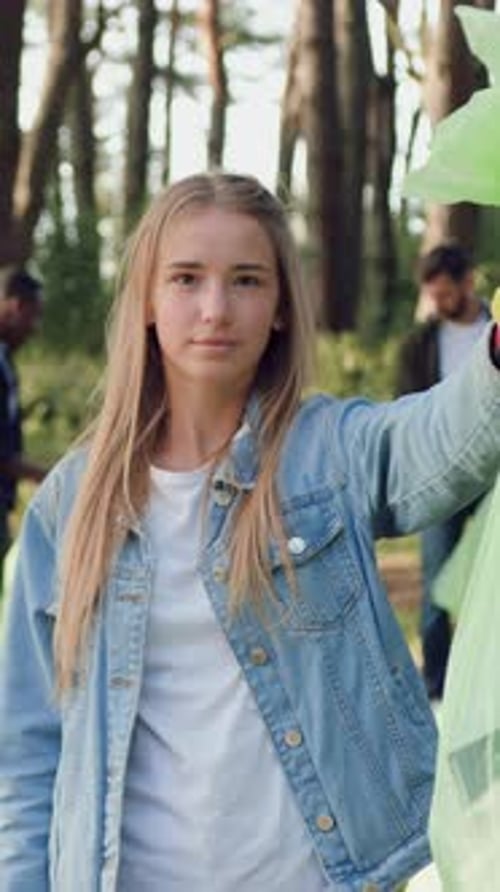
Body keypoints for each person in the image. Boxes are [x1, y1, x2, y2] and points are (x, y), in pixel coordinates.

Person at [1, 173, 500, 892]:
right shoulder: (69, 508)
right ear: (147, 298)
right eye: (185, 278)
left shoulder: (325, 453)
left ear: (279, 309)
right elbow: (25, 751)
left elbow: (434, 441)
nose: (215, 308)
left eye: (245, 280)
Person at [396, 243, 490, 701]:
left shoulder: (492, 330)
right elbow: (405, 410)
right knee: (437, 583)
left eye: (447, 293)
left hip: (494, 476)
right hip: (444, 474)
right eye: (433, 295)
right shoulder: (419, 345)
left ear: (469, 282)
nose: (440, 303)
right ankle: (436, 685)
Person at [0, 269, 46, 581]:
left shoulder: (5, 362)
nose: (35, 328)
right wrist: (52, 476)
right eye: (34, 316)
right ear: (16, 306)